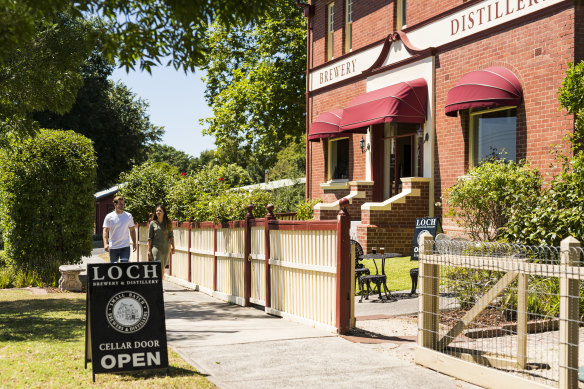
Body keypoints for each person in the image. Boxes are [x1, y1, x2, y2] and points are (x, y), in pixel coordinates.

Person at [102, 196, 137, 262]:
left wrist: (135, 243)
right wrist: (105, 244)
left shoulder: (128, 216)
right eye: (120, 204)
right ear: (115, 204)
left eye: (123, 204)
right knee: (114, 269)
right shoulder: (109, 217)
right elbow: (105, 231)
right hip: (113, 247)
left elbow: (132, 230)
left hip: (125, 247)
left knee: (124, 267)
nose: (122, 206)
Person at [147, 204, 175, 269]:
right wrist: (149, 250)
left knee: (163, 267)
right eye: (157, 211)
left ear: (164, 212)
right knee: (157, 266)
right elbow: (149, 238)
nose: (158, 212)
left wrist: (173, 247)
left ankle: (161, 279)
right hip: (156, 247)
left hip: (165, 248)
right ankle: (159, 279)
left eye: (160, 211)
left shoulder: (168, 223)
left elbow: (171, 236)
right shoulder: (152, 223)